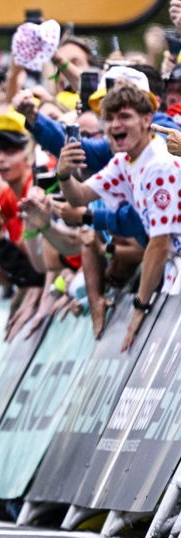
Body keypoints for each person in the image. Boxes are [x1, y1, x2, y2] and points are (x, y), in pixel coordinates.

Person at [58, 80, 180, 351]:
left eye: (124, 116)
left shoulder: (159, 164)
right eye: (110, 118)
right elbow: (78, 197)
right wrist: (63, 174)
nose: (115, 125)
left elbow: (159, 245)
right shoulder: (125, 161)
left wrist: (140, 307)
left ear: (147, 119)